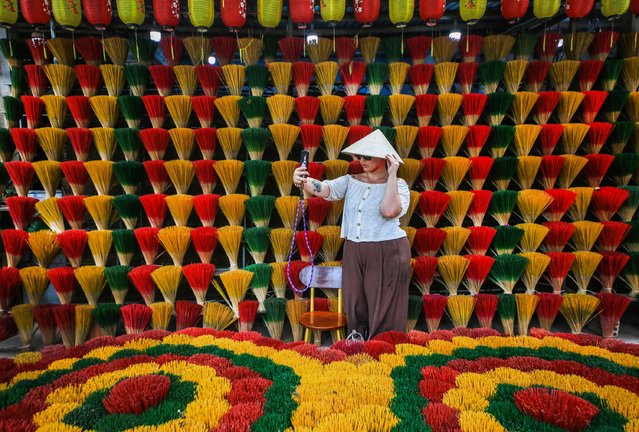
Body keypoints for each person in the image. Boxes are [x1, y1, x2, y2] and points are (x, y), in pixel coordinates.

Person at [293, 129, 412, 339]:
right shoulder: (351, 180)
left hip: (387, 249)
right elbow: (325, 189)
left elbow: (389, 211)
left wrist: (392, 174)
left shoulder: (399, 185)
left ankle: (382, 348)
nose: (360, 160)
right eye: (358, 156)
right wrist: (302, 180)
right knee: (354, 300)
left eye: (367, 156)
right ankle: (357, 343)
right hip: (354, 248)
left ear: (385, 158)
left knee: (383, 303)